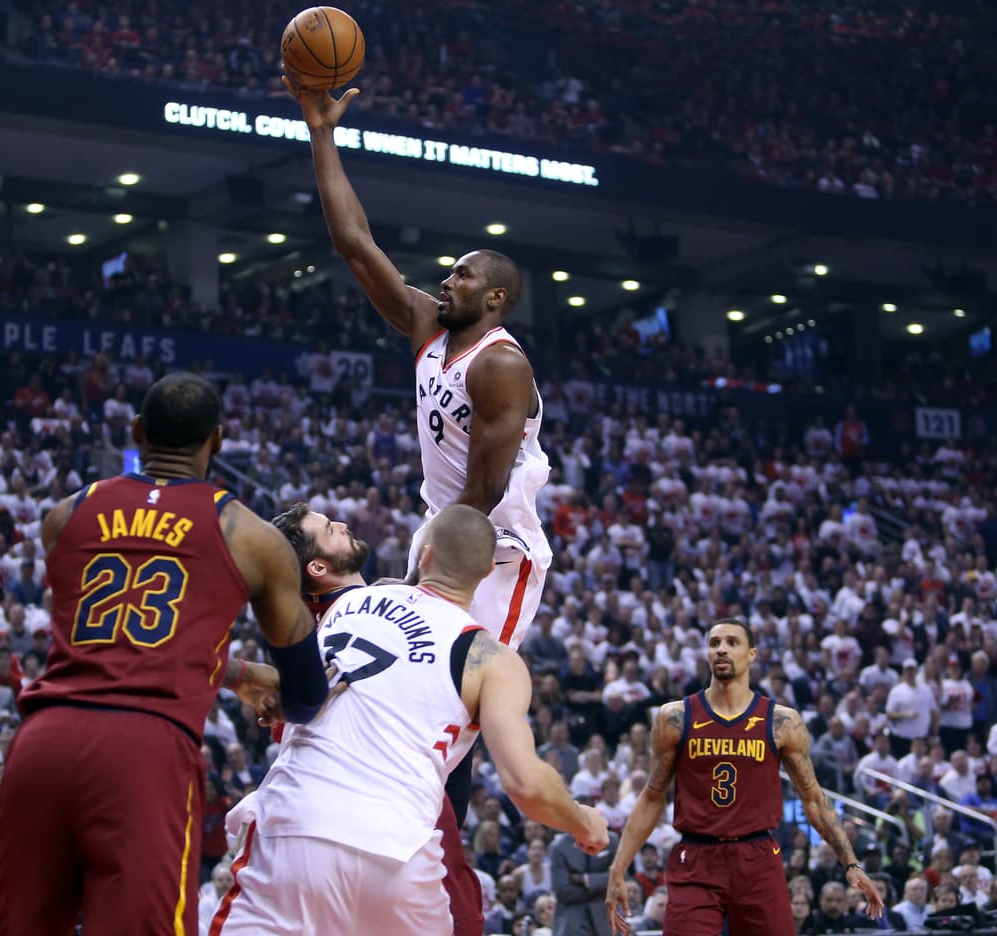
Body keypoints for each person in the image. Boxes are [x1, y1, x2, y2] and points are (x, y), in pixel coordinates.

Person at [287, 73, 554, 831]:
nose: (449, 276)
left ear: (496, 297)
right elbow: (353, 243)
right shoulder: (433, 328)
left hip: (495, 545)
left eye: (464, 273)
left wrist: (424, 572)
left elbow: (488, 485)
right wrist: (320, 130)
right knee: (411, 677)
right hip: (443, 526)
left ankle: (441, 848)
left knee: (456, 685)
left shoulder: (500, 363)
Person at [0, 373, 328, 936]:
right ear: (217, 441)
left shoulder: (67, 514)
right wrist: (270, 691)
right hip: (144, 749)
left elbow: (120, 638)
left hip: (41, 743)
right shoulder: (251, 536)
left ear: (138, 431)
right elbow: (308, 695)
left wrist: (229, 670)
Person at [211, 505, 608, 934]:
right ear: (489, 569)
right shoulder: (492, 659)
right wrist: (585, 822)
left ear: (423, 558)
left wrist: (257, 681)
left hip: (294, 827)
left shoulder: (346, 604)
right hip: (397, 848)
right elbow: (526, 784)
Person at [272, 503, 483, 936]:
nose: (344, 525)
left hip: (339, 815)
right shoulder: (362, 615)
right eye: (330, 530)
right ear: (317, 566)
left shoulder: (318, 626)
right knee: (459, 919)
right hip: (394, 797)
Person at [604, 618, 884, 935]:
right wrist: (619, 866)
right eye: (714, 643)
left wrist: (851, 863)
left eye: (732, 642)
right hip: (696, 856)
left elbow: (814, 799)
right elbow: (652, 796)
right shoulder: (675, 717)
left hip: (757, 856)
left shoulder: (782, 721)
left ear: (751, 654)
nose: (721, 648)